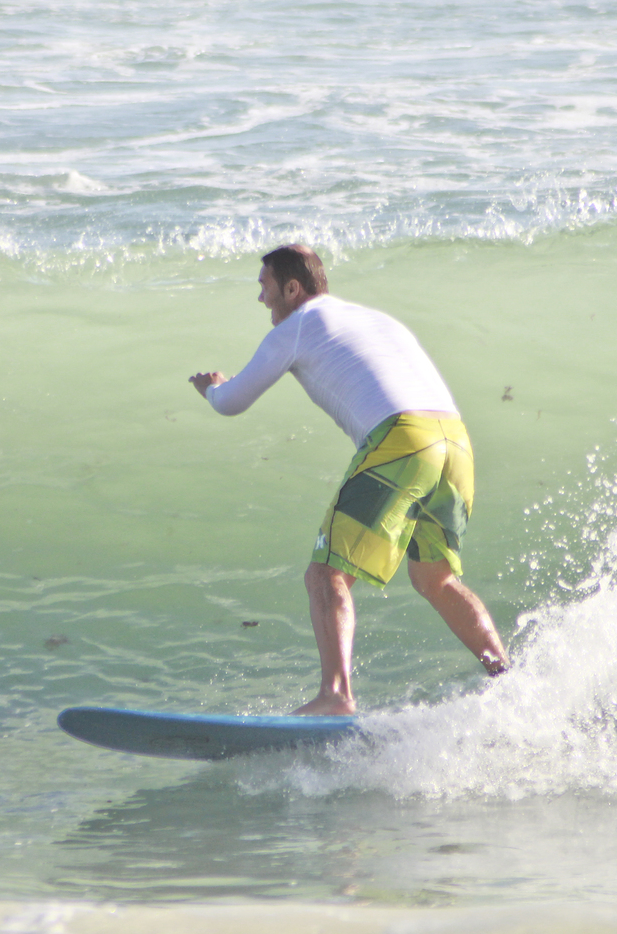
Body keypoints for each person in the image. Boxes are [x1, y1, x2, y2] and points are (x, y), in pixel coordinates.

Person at [188, 244, 509, 715]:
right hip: (456, 443)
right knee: (436, 579)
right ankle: (507, 679)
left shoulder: (297, 326)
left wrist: (211, 388)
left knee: (325, 573)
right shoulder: (377, 320)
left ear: (292, 289)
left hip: (404, 439)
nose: (261, 299)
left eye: (264, 287)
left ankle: (335, 695)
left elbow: (232, 402)